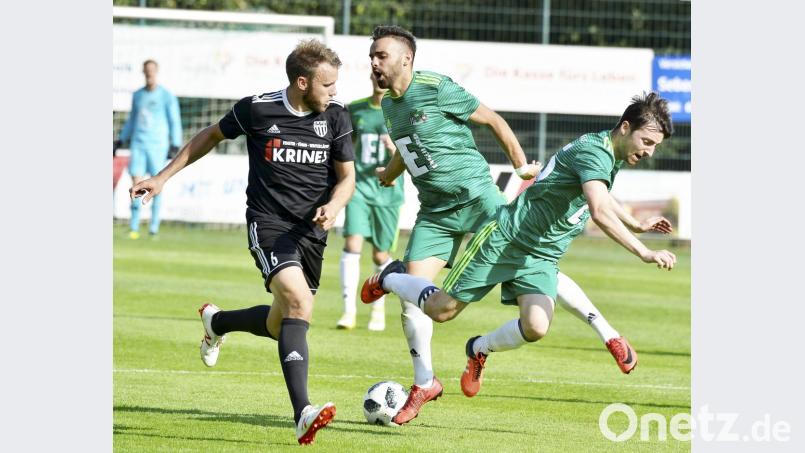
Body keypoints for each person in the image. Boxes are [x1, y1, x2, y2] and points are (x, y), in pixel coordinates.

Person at [362, 92, 676, 401]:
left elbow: (600, 193)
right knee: (442, 311)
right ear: (625, 128)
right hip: (507, 239)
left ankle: (478, 348)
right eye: (646, 142)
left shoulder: (610, 153)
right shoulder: (596, 153)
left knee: (536, 326)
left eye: (655, 146)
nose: (649, 151)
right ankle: (391, 276)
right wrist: (644, 251)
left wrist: (635, 223)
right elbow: (599, 210)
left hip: (540, 253)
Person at [129, 40, 355, 445]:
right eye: (328, 84)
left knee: (278, 323)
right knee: (299, 305)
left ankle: (217, 322)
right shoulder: (258, 108)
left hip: (312, 234)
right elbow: (210, 136)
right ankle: (302, 412)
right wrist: (162, 178)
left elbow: (347, 178)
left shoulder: (336, 117)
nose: (334, 91)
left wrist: (335, 205)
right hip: (268, 225)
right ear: (302, 82)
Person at [367, 25, 543, 425]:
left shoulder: (436, 86)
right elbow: (410, 148)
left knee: (532, 274)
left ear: (406, 59)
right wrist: (390, 174)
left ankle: (485, 347)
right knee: (413, 299)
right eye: (372, 56)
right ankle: (424, 382)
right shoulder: (389, 106)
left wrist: (520, 166)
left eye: (382, 56)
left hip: (480, 202)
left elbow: (493, 120)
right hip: (436, 214)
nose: (375, 63)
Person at [337, 75, 405, 332]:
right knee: (352, 242)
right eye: (375, 76)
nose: (379, 80)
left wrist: (394, 151)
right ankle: (348, 311)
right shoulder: (355, 109)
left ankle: (377, 311)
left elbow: (414, 154)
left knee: (380, 254)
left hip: (389, 191)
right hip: (360, 189)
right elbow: (343, 144)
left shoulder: (402, 111)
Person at [115, 59, 182, 240]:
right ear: (143, 72)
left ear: (157, 71)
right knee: (135, 185)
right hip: (138, 145)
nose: (149, 74)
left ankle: (153, 228)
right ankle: (134, 227)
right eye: (146, 71)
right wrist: (121, 140)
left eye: (152, 71)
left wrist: (175, 143)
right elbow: (132, 120)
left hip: (158, 146)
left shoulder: (167, 96)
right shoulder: (138, 95)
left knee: (157, 184)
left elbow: (174, 120)